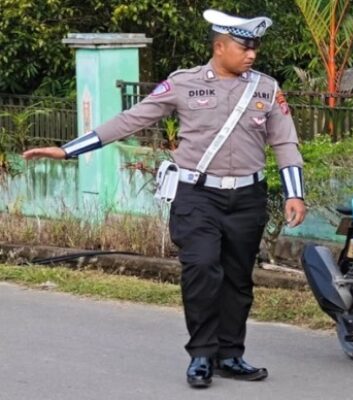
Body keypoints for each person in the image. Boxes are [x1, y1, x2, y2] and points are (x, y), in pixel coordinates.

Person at [22, 9, 306, 388]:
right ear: (220, 47)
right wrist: (69, 150)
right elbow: (131, 119)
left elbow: (285, 141)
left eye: (255, 48)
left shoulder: (267, 89)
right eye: (244, 47)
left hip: (247, 197)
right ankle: (202, 355)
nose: (252, 54)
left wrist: (295, 193)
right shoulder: (183, 84)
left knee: (238, 279)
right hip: (197, 196)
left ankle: (230, 354)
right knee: (202, 269)